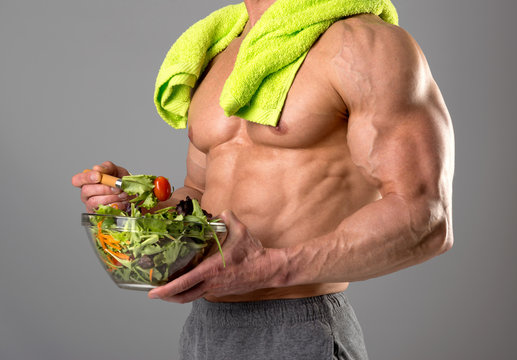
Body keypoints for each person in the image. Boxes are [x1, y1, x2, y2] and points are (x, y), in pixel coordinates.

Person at [72, 0, 454, 358]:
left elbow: (426, 217)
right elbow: (200, 196)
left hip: (299, 326)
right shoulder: (217, 51)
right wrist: (139, 203)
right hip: (206, 329)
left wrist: (274, 266)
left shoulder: (364, 44)